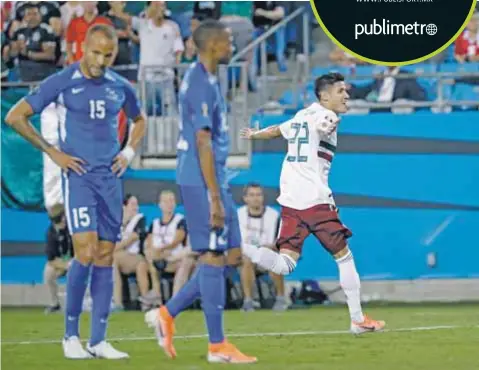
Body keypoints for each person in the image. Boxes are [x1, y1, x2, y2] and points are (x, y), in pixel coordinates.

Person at [5, 24, 146, 359]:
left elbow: (139, 121)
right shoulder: (63, 81)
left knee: (105, 256)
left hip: (110, 180)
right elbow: (15, 116)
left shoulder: (120, 86)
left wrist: (128, 152)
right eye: (96, 52)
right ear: (83, 47)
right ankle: (70, 335)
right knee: (84, 251)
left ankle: (98, 340)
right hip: (79, 178)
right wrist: (52, 151)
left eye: (108, 54)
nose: (101, 60)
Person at [144, 20, 257, 364]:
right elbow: (202, 142)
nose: (231, 46)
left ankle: (167, 313)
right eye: (226, 42)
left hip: (215, 177)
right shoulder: (197, 83)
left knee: (232, 256)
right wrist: (213, 197)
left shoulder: (209, 79)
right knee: (210, 256)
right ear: (211, 45)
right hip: (199, 179)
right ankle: (217, 345)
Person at [239, 72, 386, 335]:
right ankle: (357, 319)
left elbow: (275, 131)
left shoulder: (300, 116)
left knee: (286, 264)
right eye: (341, 91)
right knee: (344, 256)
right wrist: (327, 124)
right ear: (324, 96)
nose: (346, 95)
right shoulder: (324, 116)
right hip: (314, 199)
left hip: (291, 200)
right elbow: (324, 124)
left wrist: (253, 134)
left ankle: (242, 248)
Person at [238, 183, 288, 312]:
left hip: (267, 253)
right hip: (246, 255)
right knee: (246, 260)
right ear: (245, 198)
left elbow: (280, 242)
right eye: (252, 195)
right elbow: (236, 241)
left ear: (263, 197)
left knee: (273, 259)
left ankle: (281, 299)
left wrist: (270, 247)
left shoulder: (274, 215)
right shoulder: (238, 215)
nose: (255, 198)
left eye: (258, 195)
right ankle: (248, 302)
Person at [145, 190, 195, 304]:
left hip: (175, 257)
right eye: (166, 201)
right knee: (146, 259)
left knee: (185, 263)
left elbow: (177, 240)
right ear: (160, 205)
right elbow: (149, 242)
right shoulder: (155, 223)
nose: (169, 204)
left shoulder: (180, 220)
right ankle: (154, 295)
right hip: (158, 257)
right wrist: (155, 252)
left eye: (171, 200)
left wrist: (162, 250)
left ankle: (175, 299)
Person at [113, 194, 150, 311]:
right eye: (132, 204)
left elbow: (132, 238)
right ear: (124, 206)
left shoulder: (139, 219)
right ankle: (117, 302)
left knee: (112, 257)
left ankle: (145, 301)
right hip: (122, 257)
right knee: (112, 261)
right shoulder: (118, 223)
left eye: (136, 204)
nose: (136, 207)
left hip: (136, 256)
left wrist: (113, 249)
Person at [44, 203, 74, 314]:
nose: (63, 221)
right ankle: (55, 304)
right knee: (48, 272)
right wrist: (65, 265)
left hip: (77, 259)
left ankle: (75, 303)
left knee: (75, 269)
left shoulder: (72, 228)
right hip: (62, 262)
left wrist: (72, 263)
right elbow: (51, 259)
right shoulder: (51, 233)